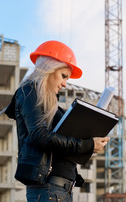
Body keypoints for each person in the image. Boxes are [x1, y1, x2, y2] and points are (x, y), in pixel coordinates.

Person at [5, 40, 110, 202]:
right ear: (48, 68)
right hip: (49, 189)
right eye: (63, 76)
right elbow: (39, 135)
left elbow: (56, 143)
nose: (65, 84)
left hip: (59, 190)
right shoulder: (30, 91)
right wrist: (87, 145)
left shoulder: (54, 108)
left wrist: (90, 143)